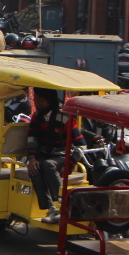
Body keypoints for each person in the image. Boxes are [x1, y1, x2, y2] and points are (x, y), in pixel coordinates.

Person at [28, 87, 86, 223]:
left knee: (48, 165)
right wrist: (31, 158)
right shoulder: (37, 116)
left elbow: (81, 145)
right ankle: (50, 208)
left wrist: (70, 165)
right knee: (33, 168)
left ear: (43, 100)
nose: (33, 101)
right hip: (44, 153)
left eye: (35, 98)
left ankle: (62, 205)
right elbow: (32, 138)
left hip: (61, 155)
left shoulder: (65, 117)